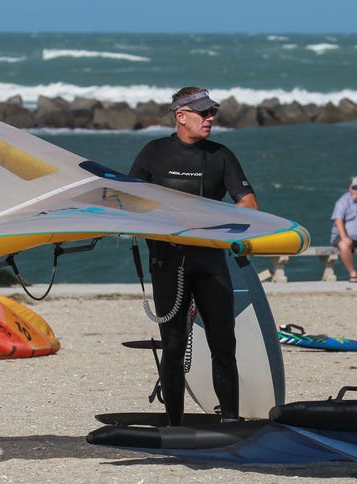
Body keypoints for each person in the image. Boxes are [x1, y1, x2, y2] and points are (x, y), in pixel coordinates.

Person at [129, 87, 259, 426]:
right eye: (203, 113)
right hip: (167, 264)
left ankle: (230, 420)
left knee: (223, 344)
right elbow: (128, 202)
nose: (210, 118)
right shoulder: (153, 154)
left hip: (210, 262)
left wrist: (229, 229)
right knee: (172, 347)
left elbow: (248, 203)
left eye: (212, 112)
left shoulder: (220, 155)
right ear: (181, 115)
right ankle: (175, 423)